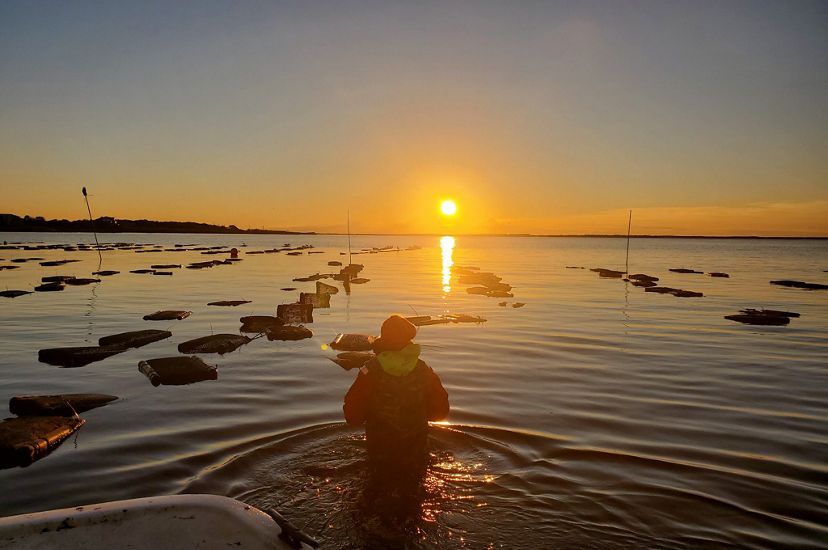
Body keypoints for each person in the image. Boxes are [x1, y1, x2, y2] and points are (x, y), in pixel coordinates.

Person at [344, 315, 449, 480]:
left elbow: (352, 416)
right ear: (409, 341)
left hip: (380, 454)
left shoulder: (369, 371)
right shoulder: (424, 370)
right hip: (416, 453)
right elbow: (440, 413)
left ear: (383, 341)